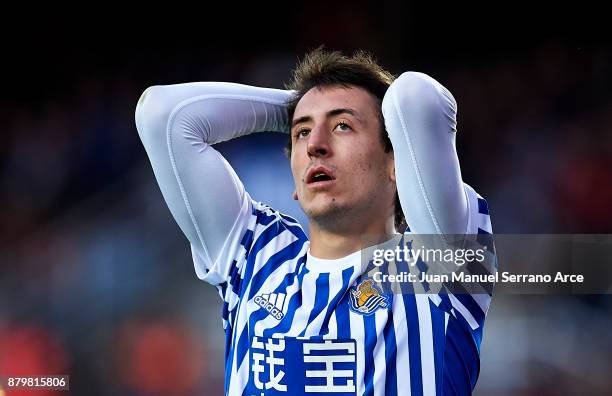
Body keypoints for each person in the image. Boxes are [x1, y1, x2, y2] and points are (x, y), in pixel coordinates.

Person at [135, 48, 494, 395]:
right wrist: (295, 107)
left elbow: (415, 96)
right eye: (302, 133)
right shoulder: (257, 258)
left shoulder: (440, 268)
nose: (314, 146)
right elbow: (162, 115)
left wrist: (305, 108)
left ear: (396, 162)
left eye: (342, 126)